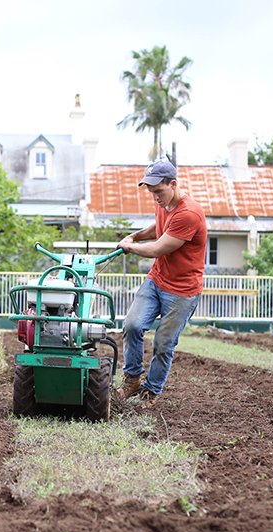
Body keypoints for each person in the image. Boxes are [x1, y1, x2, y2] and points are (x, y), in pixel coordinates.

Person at [116, 160, 207, 406]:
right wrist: (135, 235)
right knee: (132, 325)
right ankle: (132, 379)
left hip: (182, 292)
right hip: (157, 280)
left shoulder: (189, 213)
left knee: (163, 343)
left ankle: (151, 390)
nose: (155, 197)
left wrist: (130, 246)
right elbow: (160, 227)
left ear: (173, 184)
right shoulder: (164, 203)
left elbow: (158, 248)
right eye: (151, 191)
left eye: (158, 191)